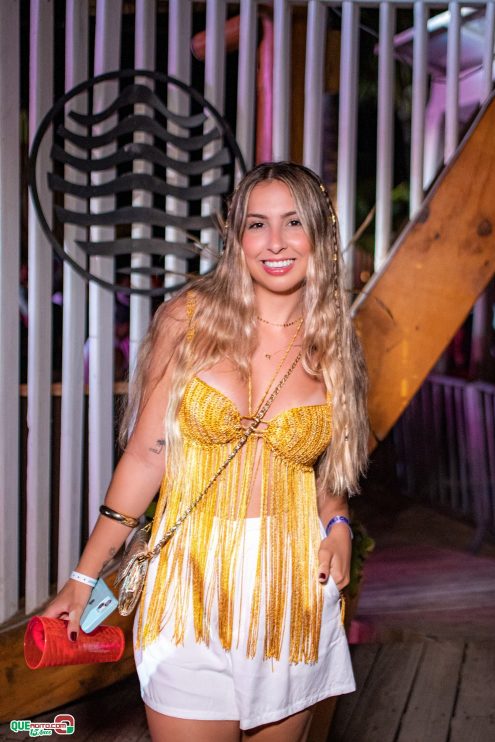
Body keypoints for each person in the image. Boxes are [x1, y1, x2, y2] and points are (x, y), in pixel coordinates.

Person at [44, 161, 369, 742]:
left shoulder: (335, 347)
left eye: (293, 222)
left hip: (290, 593)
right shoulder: (188, 320)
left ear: (320, 234)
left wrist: (339, 526)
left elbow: (327, 474)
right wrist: (83, 576)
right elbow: (147, 456)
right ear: (236, 237)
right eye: (257, 224)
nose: (275, 242)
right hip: (187, 588)